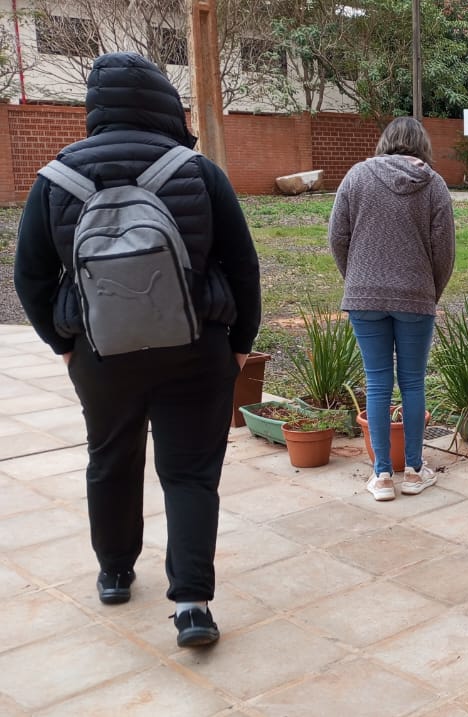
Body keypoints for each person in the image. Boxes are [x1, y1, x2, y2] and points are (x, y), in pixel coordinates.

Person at [13, 53, 261, 647]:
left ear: (95, 106)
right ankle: (193, 605)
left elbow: (31, 277)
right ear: (161, 104)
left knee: (110, 458)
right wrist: (238, 347)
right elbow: (243, 265)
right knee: (191, 472)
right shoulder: (197, 171)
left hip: (101, 353)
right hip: (195, 346)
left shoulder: (56, 178)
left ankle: (115, 571)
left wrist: (63, 346)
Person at [329, 117, 455, 502]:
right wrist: (430, 292)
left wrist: (355, 279)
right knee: (413, 383)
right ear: (422, 146)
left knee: (378, 382)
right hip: (416, 296)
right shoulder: (433, 185)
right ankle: (414, 471)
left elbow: (338, 236)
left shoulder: (356, 176)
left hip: (364, 297)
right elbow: (444, 252)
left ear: (385, 142)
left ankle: (382, 475)